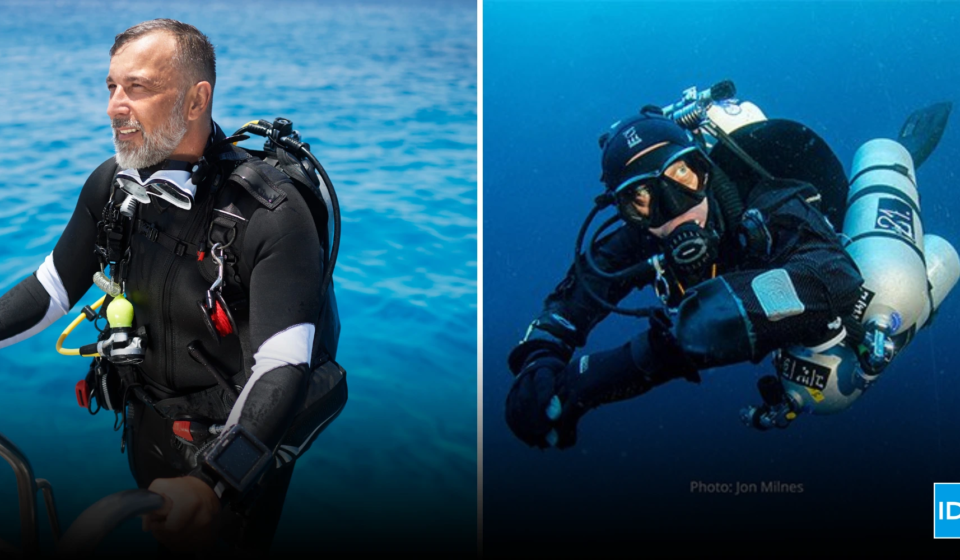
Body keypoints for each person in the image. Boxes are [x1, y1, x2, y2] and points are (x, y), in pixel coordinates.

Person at [0, 19, 345, 553]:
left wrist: (215, 483)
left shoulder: (272, 214)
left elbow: (284, 368)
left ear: (195, 100)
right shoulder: (111, 187)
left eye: (136, 88)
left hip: (235, 448)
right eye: (111, 87)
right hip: (147, 429)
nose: (115, 105)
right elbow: (49, 291)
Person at [504, 106, 870, 449]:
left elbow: (833, 276)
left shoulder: (765, 199)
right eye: (642, 195)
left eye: (682, 174)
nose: (674, 207)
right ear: (626, 210)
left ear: (704, 169)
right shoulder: (640, 236)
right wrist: (538, 358)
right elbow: (572, 300)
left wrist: (613, 371)